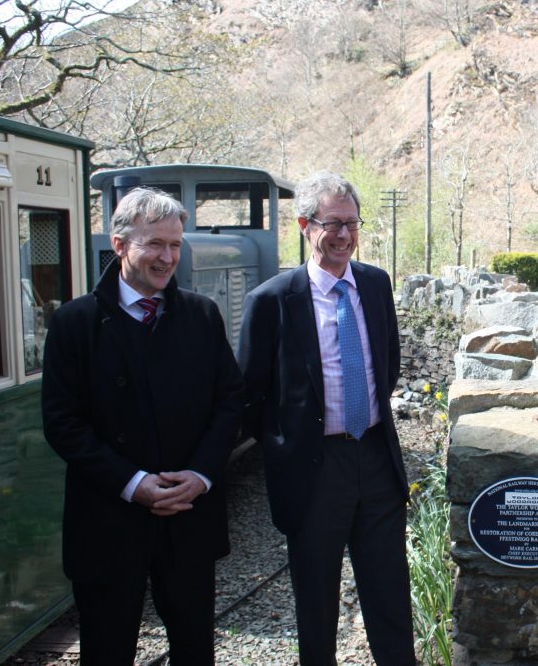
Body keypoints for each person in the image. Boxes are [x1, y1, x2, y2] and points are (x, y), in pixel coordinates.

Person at [41, 188, 243, 665]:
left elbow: (230, 401)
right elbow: (62, 422)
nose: (167, 257)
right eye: (155, 244)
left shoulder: (201, 315)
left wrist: (201, 476)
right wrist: (133, 485)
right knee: (107, 652)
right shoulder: (75, 323)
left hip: (188, 519)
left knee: (195, 651)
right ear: (119, 245)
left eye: (175, 245)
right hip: (108, 524)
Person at [237, 171, 416, 665]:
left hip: (376, 457)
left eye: (351, 223)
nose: (343, 235)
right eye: (331, 224)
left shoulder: (376, 285)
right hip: (314, 470)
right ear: (303, 225)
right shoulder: (272, 301)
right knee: (316, 600)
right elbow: (249, 395)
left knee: (389, 593)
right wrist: (285, 448)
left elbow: (388, 364)